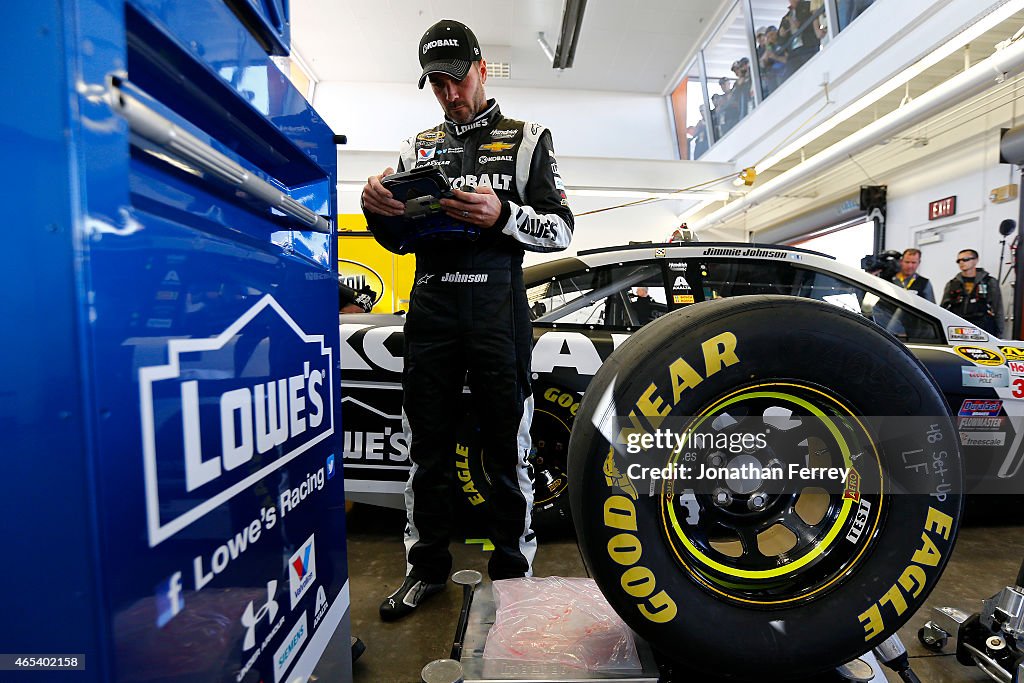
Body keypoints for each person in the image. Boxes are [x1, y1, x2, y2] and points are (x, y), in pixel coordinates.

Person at [360, 19, 574, 621]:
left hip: (496, 309)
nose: (449, 94)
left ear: (481, 68)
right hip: (430, 307)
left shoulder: (529, 138)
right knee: (425, 445)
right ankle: (424, 567)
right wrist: (378, 215)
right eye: (436, 84)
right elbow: (400, 243)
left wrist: (502, 213)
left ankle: (513, 573)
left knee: (506, 447)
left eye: (457, 79)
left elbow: (561, 229)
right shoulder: (417, 146)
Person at [940, 249, 1004, 336]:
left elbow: (998, 309)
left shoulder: (989, 282)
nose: (961, 262)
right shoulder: (952, 284)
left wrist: (999, 333)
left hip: (982, 328)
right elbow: (942, 309)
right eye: (959, 261)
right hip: (957, 328)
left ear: (976, 260)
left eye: (965, 259)